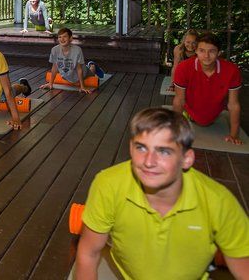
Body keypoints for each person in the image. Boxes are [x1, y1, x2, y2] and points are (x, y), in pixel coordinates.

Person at [75, 107, 249, 279]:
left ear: (187, 159)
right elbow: (88, 253)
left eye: (164, 151)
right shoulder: (108, 184)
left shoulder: (218, 201)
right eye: (141, 148)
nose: (149, 162)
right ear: (131, 148)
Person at [172, 32, 242, 145]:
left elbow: (233, 104)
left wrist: (234, 135)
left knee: (207, 120)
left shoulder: (232, 70)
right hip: (190, 108)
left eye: (212, 51)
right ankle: (187, 114)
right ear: (196, 51)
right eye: (202, 50)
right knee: (189, 113)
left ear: (219, 52)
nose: (206, 56)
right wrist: (175, 130)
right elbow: (179, 100)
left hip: (216, 112)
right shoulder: (183, 68)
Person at [40, 27, 105, 94]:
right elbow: (54, 67)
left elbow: (79, 69)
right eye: (60, 37)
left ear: (70, 38)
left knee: (92, 73)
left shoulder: (77, 50)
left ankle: (92, 65)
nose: (62, 39)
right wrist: (50, 83)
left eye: (65, 37)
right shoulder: (54, 50)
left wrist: (82, 87)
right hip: (68, 75)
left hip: (83, 73)